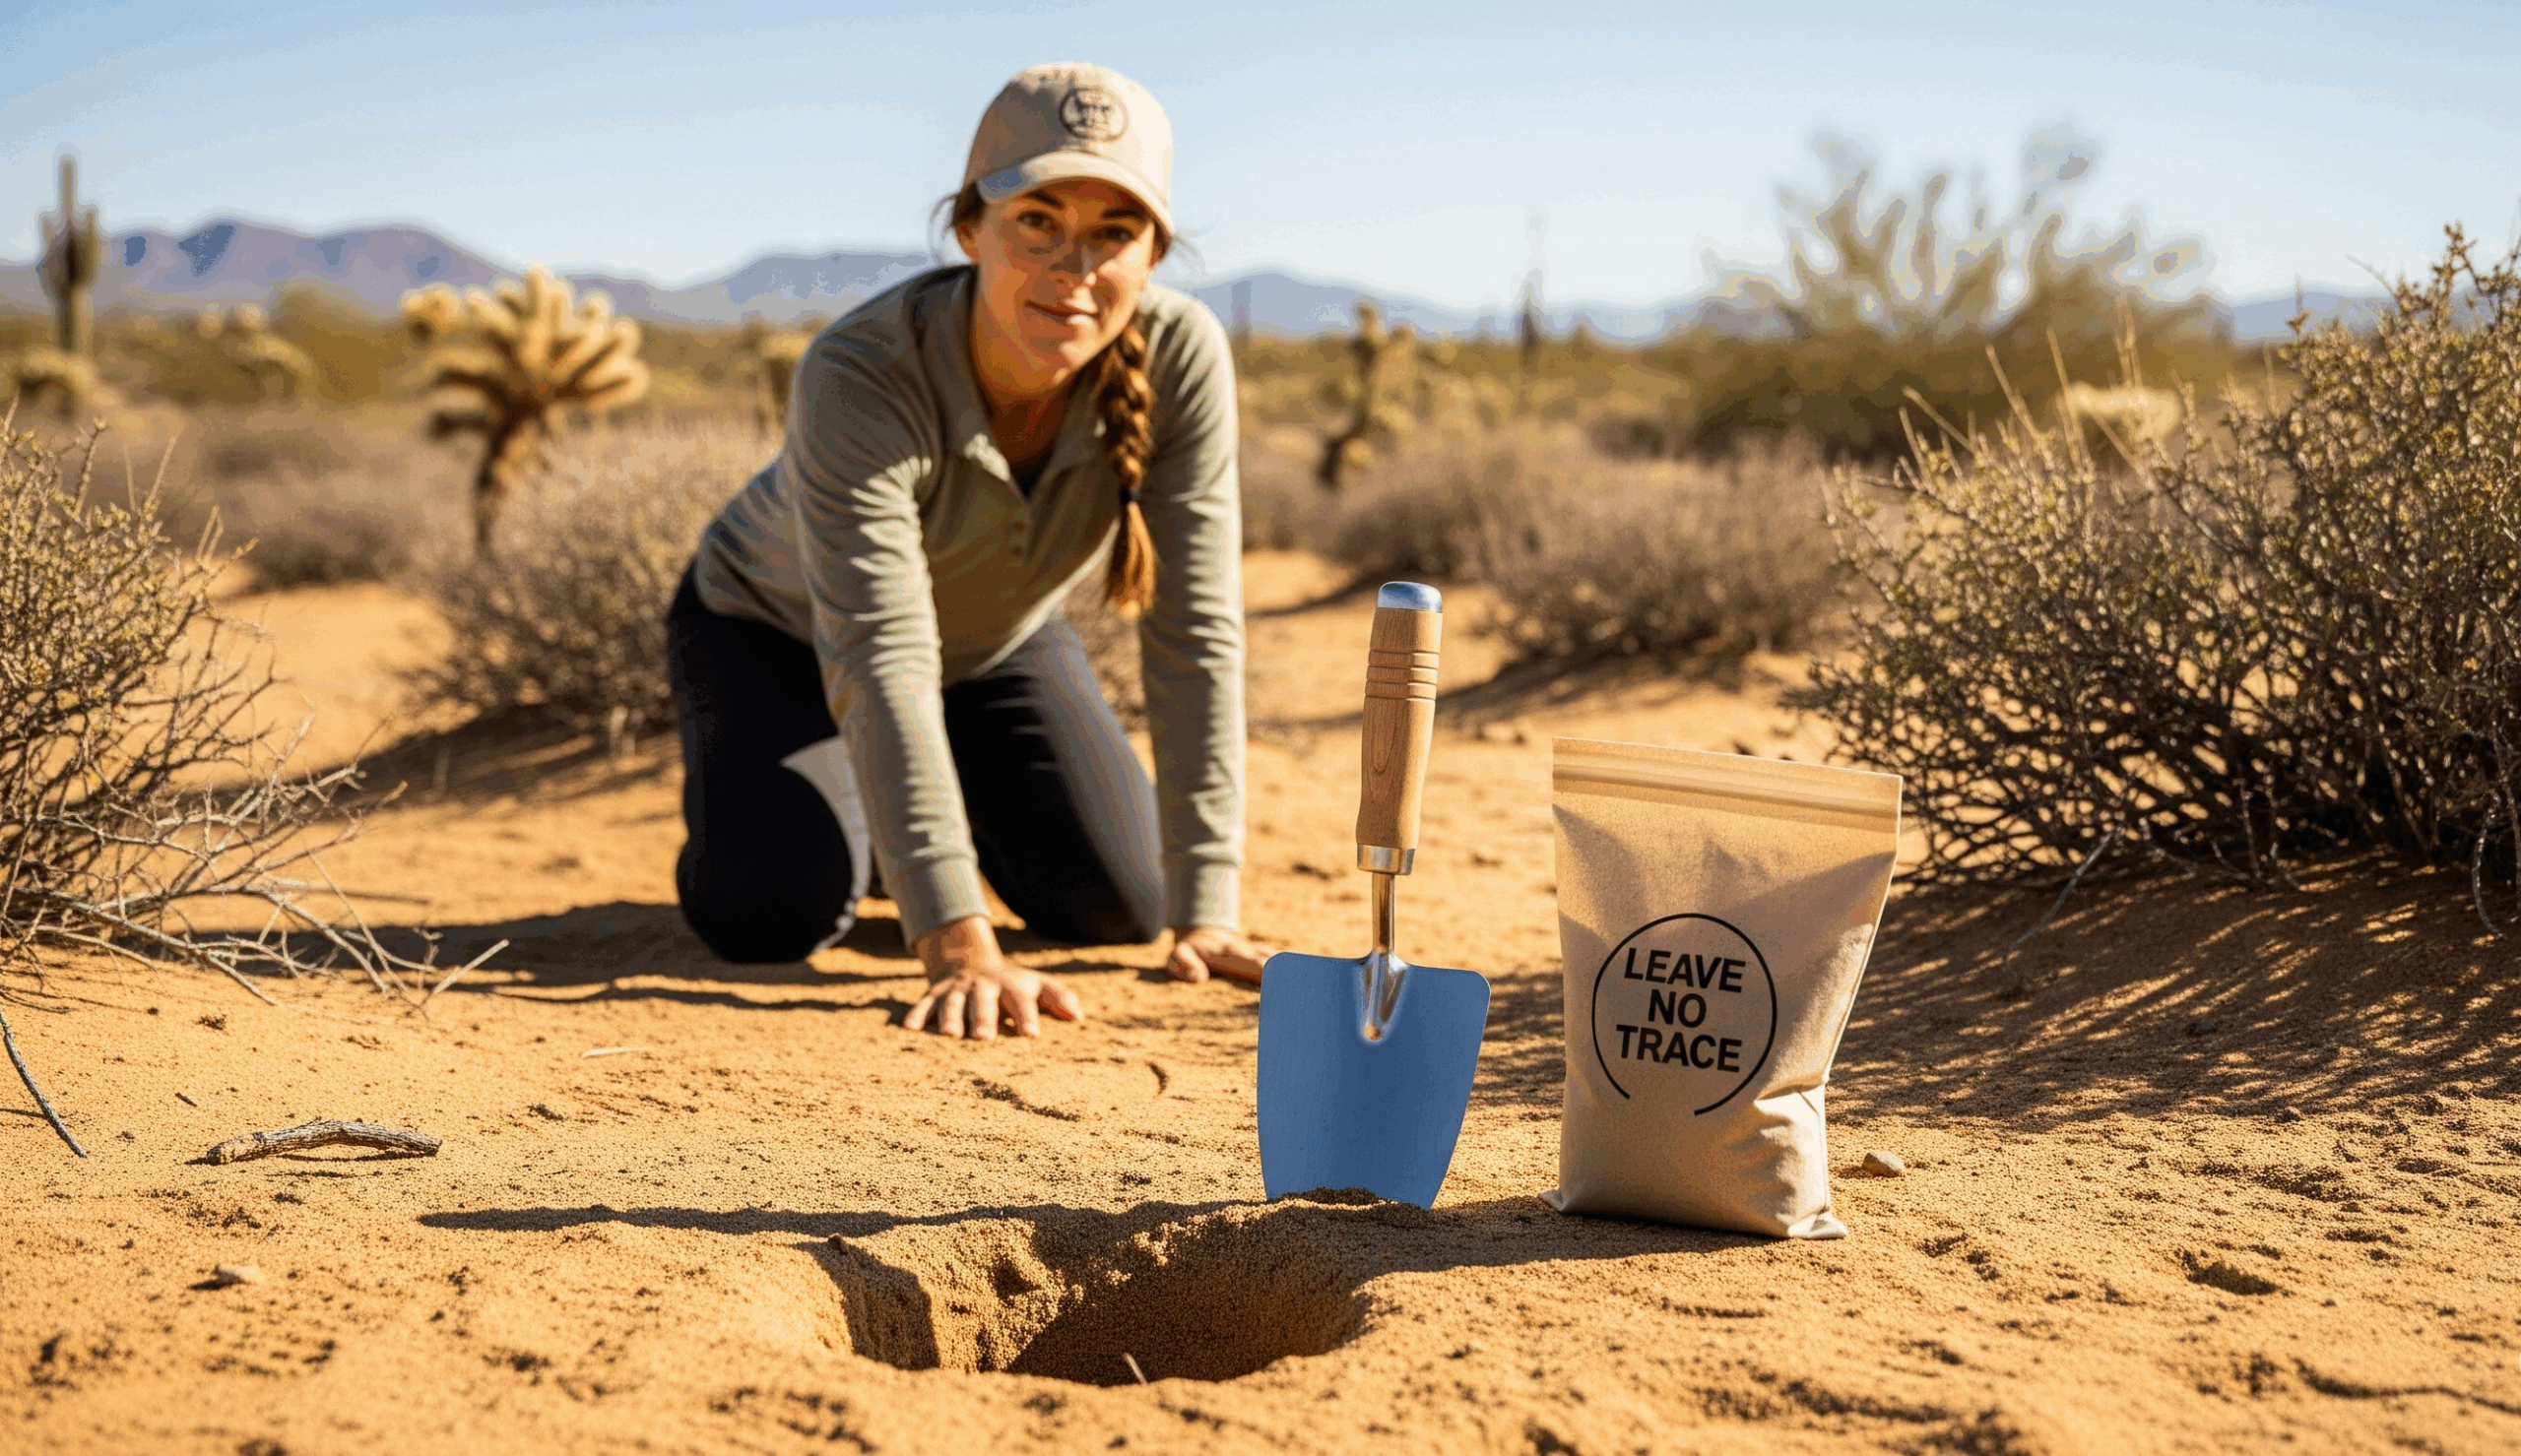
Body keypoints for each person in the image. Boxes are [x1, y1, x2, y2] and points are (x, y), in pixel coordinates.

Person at [668, 62, 1267, 1039]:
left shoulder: (1182, 356)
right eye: (1037, 221)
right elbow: (880, 650)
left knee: (1123, 906)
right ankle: (828, 800)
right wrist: (957, 938)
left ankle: (890, 805)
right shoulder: (863, 370)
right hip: (776, 630)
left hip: (992, 643)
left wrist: (1207, 908)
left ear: (1153, 255)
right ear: (968, 229)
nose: (1073, 268)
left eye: (1113, 232)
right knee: (772, 908)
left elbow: (1194, 631)